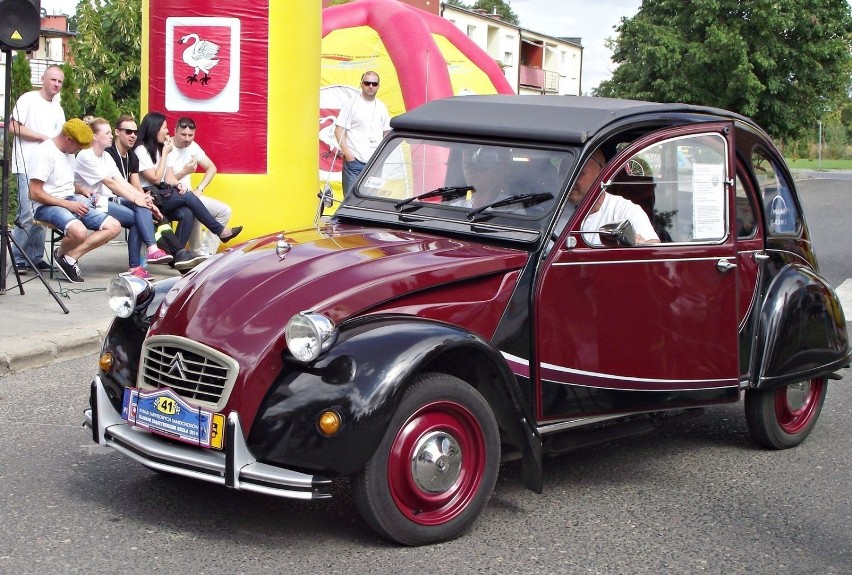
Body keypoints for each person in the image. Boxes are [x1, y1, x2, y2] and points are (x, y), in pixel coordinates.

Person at [75, 118, 172, 280]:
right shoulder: (86, 156)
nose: (110, 136)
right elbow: (111, 184)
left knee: (144, 207)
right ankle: (138, 264)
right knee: (137, 215)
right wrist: (137, 200)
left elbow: (121, 182)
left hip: (107, 200)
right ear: (94, 137)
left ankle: (152, 250)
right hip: (90, 202)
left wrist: (144, 199)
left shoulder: (106, 156)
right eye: (106, 133)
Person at [105, 115, 206, 272]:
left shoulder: (132, 156)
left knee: (186, 210)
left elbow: (133, 184)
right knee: (145, 212)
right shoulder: (122, 152)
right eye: (128, 131)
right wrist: (140, 199)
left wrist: (142, 198)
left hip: (147, 196)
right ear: (117, 132)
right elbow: (155, 179)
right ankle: (153, 255)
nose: (133, 135)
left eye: (135, 132)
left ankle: (177, 257)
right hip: (111, 200)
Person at [28, 119, 122, 283]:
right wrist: (69, 204)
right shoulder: (45, 153)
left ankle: (69, 258)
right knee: (79, 232)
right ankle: (61, 255)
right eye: (78, 145)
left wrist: (82, 190)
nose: (79, 149)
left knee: (114, 226)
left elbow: (63, 183)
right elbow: (34, 193)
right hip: (45, 205)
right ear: (68, 138)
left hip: (70, 199)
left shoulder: (69, 152)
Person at [134, 112, 242, 248]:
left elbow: (168, 178)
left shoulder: (165, 147)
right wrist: (169, 157)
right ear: (155, 129)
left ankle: (178, 254)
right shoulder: (143, 150)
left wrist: (181, 185)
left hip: (167, 194)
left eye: (190, 135)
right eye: (165, 128)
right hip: (151, 196)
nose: (187, 138)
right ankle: (219, 231)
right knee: (188, 197)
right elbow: (156, 179)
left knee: (188, 212)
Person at [9, 65, 66, 274]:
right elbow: (13, 127)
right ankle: (17, 258)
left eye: (60, 82)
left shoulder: (58, 108)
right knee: (26, 212)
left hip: (46, 168)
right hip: (26, 164)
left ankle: (35, 256)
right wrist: (42, 137)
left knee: (41, 214)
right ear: (43, 79)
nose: (56, 85)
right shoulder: (28, 99)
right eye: (53, 80)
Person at [166, 116, 233, 256]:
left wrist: (200, 188)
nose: (187, 139)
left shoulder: (193, 146)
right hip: (170, 195)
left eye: (191, 135)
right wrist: (184, 172)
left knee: (225, 210)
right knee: (194, 207)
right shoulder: (167, 146)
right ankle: (196, 252)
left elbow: (212, 168)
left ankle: (207, 253)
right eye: (183, 134)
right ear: (175, 131)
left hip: (189, 195)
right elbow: (165, 181)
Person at [569, 149, 660, 246]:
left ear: (601, 174)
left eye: (579, 174)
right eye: (565, 174)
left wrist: (641, 243)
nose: (570, 181)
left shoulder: (625, 210)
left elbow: (653, 246)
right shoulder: (555, 209)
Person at [334, 71, 391, 195]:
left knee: (371, 202)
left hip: (375, 162)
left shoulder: (382, 107)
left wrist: (382, 155)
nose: (371, 86)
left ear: (378, 86)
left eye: (374, 84)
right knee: (350, 201)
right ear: (361, 84)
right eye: (367, 83)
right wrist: (348, 154)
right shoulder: (351, 104)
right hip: (354, 162)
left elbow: (387, 132)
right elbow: (339, 130)